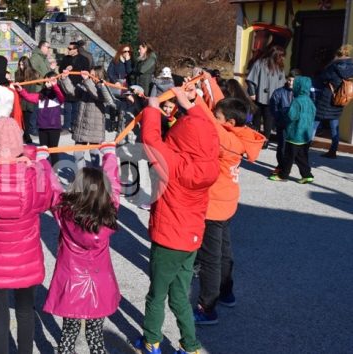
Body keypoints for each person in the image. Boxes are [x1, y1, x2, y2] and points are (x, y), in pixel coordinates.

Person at [0, 117, 62, 354]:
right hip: (26, 258)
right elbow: (52, 199)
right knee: (26, 313)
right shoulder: (35, 176)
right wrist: (39, 162)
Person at [133, 86, 220, 354]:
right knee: (181, 294)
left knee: (157, 294)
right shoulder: (209, 162)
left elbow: (150, 139)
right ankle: (191, 345)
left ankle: (151, 341)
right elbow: (206, 128)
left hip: (169, 238)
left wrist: (151, 107)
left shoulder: (175, 164)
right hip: (191, 238)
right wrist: (190, 105)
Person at [193, 97, 264, 326]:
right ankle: (226, 292)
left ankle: (208, 307)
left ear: (230, 122)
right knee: (223, 250)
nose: (215, 118)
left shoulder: (227, 140)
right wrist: (207, 82)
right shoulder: (240, 134)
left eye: (219, 116)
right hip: (227, 202)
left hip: (214, 207)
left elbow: (208, 122)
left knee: (211, 259)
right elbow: (219, 110)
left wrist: (193, 99)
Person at [44, 144, 121, 354]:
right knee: (96, 336)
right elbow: (114, 184)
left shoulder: (65, 212)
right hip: (100, 282)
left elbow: (53, 189)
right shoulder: (109, 211)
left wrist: (42, 160)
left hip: (72, 283)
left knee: (68, 335)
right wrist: (109, 155)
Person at [59, 68, 115, 169]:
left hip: (94, 126)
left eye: (92, 74)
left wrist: (87, 81)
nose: (89, 75)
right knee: (77, 154)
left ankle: (95, 176)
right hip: (81, 125)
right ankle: (82, 176)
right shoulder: (84, 84)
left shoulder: (102, 86)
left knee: (94, 154)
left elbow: (97, 95)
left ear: (98, 76)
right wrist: (65, 78)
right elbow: (72, 92)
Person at [270, 76, 316, 183]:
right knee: (301, 156)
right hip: (305, 135)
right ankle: (307, 175)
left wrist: (285, 112)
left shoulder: (297, 101)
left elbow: (291, 116)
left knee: (288, 157)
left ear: (298, 87)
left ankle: (283, 175)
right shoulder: (309, 100)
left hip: (294, 134)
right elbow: (314, 113)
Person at [313, 44, 353, 159]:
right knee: (334, 126)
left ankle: (304, 148)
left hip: (327, 98)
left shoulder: (334, 65)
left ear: (338, 54)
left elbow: (322, 78)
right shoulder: (351, 67)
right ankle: (333, 151)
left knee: (314, 123)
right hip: (340, 99)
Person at [17, 72, 65, 166]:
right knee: (43, 151)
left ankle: (55, 171)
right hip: (42, 127)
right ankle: (45, 169)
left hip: (54, 127)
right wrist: (21, 90)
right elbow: (29, 97)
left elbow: (61, 96)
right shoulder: (41, 95)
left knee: (53, 150)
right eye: (47, 79)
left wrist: (54, 85)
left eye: (51, 79)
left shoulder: (58, 94)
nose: (49, 82)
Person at [246, 45, 286, 147]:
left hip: (272, 99)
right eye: (281, 56)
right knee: (256, 119)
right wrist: (252, 93)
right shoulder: (260, 63)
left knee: (269, 120)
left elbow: (282, 83)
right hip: (258, 97)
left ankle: (265, 141)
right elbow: (250, 79)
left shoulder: (280, 67)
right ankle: (256, 139)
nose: (283, 58)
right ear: (276, 55)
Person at [269, 71, 296, 172]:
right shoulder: (279, 92)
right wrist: (278, 118)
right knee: (282, 146)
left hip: (294, 124)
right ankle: (280, 166)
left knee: (293, 147)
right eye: (289, 80)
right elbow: (273, 107)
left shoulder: (298, 93)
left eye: (293, 80)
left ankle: (288, 166)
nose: (291, 82)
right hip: (282, 124)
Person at [59, 42, 90, 131]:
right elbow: (60, 69)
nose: (68, 50)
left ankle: (74, 125)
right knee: (67, 107)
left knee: (76, 108)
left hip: (78, 86)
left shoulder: (84, 59)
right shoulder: (65, 59)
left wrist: (74, 68)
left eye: (70, 49)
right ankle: (66, 125)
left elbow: (86, 71)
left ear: (76, 49)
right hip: (67, 85)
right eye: (68, 48)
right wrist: (65, 69)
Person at [15, 56, 40, 143]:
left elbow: (38, 84)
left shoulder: (33, 74)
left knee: (28, 119)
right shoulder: (17, 73)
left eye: (23, 64)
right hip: (20, 100)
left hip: (29, 100)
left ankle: (26, 135)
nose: (21, 66)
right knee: (22, 120)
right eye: (20, 64)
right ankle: (25, 135)